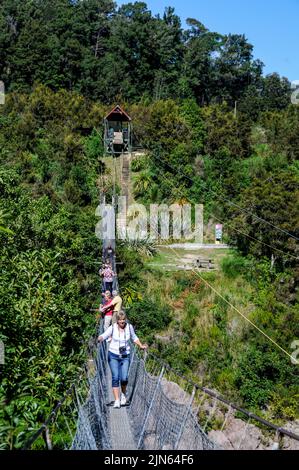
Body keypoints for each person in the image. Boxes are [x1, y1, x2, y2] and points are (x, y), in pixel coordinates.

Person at [98, 311, 147, 408]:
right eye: (120, 320)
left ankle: (123, 395)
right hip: (113, 355)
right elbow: (104, 335)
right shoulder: (113, 328)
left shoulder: (129, 327)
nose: (122, 322)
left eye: (123, 320)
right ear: (117, 320)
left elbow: (134, 337)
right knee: (115, 377)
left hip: (125, 356)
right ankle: (117, 400)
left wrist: (140, 345)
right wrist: (100, 338)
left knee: (124, 378)